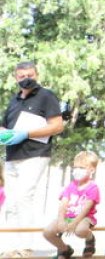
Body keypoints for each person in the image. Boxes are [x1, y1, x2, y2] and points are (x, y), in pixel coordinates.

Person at [1, 61, 66, 228]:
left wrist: (26, 133)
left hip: (35, 154)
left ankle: (25, 247)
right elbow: (4, 125)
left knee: (24, 198)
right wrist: (4, 134)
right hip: (12, 156)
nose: (26, 79)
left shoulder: (46, 96)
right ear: (16, 78)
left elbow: (57, 126)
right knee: (11, 202)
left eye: (30, 75)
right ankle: (11, 247)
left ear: (36, 75)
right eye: (22, 76)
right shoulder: (13, 100)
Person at [44, 150, 101, 259]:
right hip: (68, 216)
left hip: (85, 217)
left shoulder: (93, 187)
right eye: (75, 167)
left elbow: (86, 209)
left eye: (82, 168)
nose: (77, 171)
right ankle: (64, 249)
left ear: (92, 170)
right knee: (48, 232)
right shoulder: (71, 185)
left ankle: (90, 239)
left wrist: (74, 223)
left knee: (80, 231)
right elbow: (63, 204)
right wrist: (61, 220)